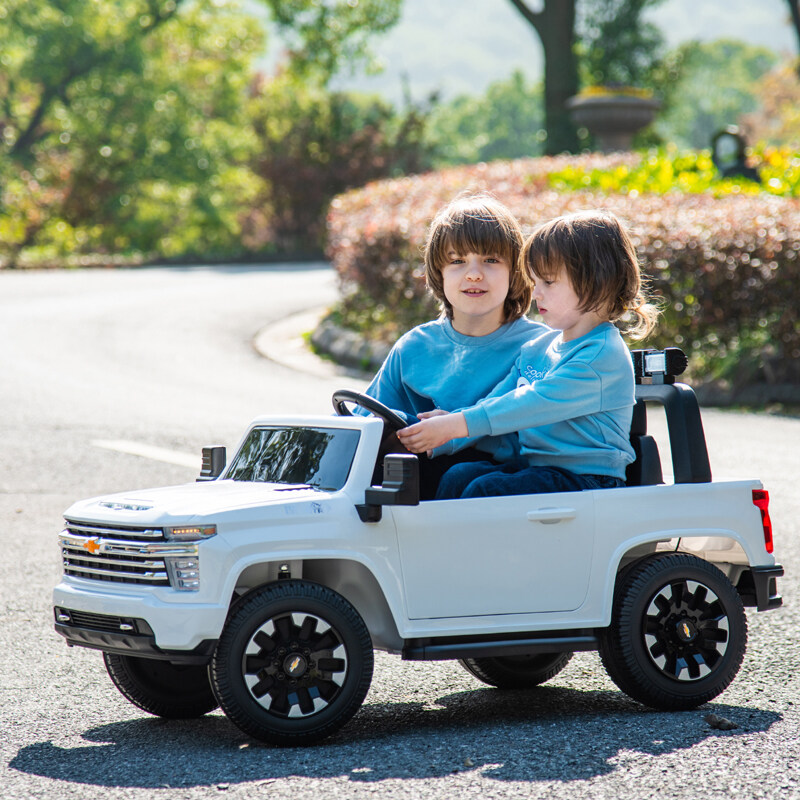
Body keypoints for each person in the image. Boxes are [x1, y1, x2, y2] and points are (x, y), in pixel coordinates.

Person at [396, 209, 661, 499]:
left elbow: (532, 404)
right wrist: (446, 436)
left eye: (548, 282)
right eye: (535, 283)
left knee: (486, 490)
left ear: (597, 280)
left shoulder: (601, 357)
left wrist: (454, 425)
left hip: (589, 483)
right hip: (537, 471)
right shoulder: (539, 349)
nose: (536, 294)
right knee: (459, 475)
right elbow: (496, 401)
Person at [355, 194, 548, 497]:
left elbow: (542, 439)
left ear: (515, 271)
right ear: (438, 272)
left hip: (497, 488)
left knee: (462, 474)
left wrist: (459, 433)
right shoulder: (413, 347)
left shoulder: (540, 347)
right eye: (457, 261)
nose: (474, 273)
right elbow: (364, 422)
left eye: (490, 260)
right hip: (415, 490)